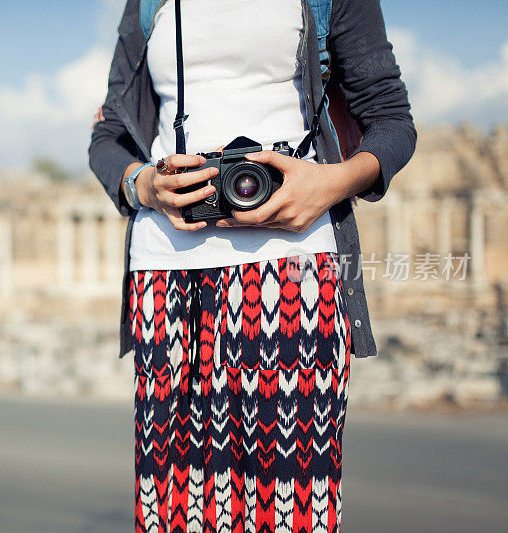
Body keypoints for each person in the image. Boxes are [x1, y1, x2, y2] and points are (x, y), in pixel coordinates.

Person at [89, 0, 416, 531]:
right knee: (175, 512)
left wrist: (329, 183)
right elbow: (108, 138)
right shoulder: (147, 4)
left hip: (294, 279)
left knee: (290, 511)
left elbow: (392, 122)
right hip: (166, 281)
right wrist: (143, 184)